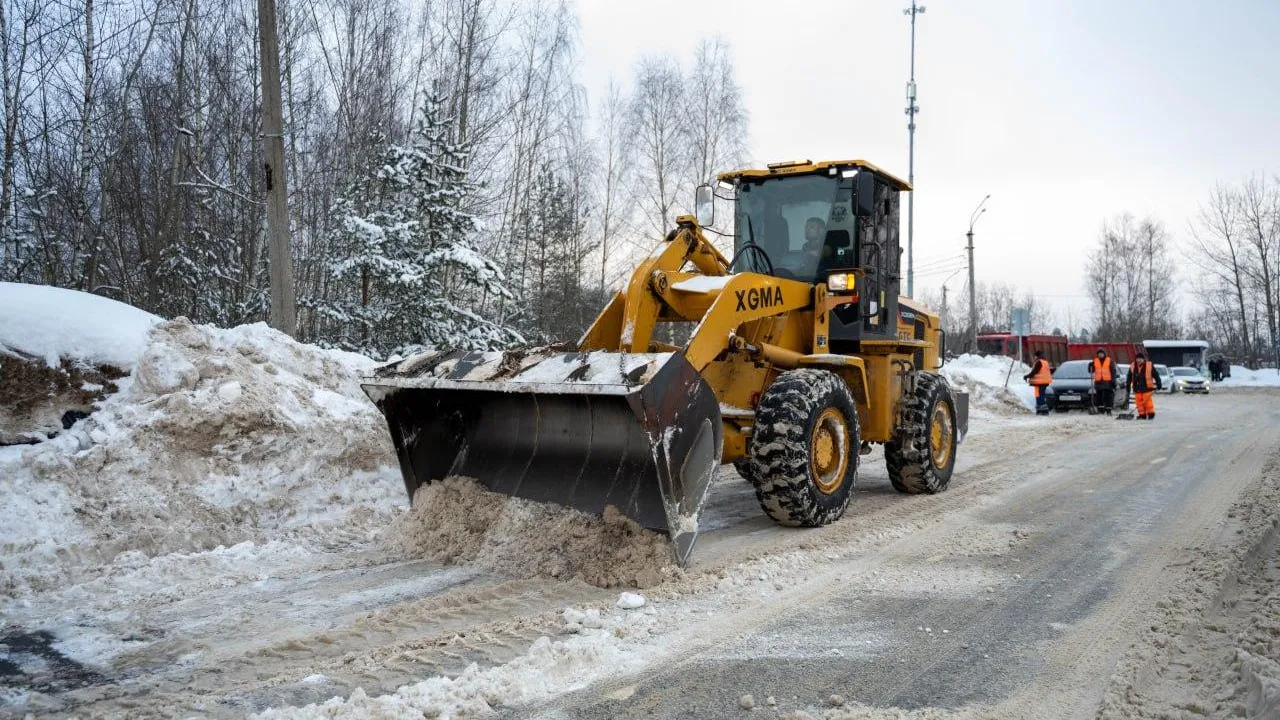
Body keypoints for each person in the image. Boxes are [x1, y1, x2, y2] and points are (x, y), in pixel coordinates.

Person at [1128, 351, 1164, 420]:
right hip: (1137, 388)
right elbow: (1129, 376)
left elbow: (1156, 375)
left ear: (1143, 359)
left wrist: (1159, 383)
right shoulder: (1132, 366)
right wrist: (1128, 385)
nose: (1138, 360)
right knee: (1139, 402)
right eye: (1137, 359)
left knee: (1147, 402)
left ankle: (1151, 414)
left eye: (1140, 359)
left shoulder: (1149, 365)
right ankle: (1142, 415)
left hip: (1147, 388)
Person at [1087, 348, 1117, 415]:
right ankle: (1101, 410)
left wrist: (1113, 381)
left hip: (1108, 382)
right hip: (1098, 382)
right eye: (1099, 354)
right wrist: (1090, 366)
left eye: (1101, 353)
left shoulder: (1109, 361)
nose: (1100, 355)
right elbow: (1090, 371)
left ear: (1104, 354)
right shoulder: (1095, 361)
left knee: (1108, 397)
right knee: (1099, 397)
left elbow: (1113, 372)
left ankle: (1108, 410)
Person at [1023, 350, 1053, 416]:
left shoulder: (1039, 362)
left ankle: (1043, 411)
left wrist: (1027, 376)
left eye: (1035, 356)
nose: (1034, 357)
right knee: (1039, 395)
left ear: (1036, 356)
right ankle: (1040, 410)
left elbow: (1034, 372)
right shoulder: (1045, 362)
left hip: (1040, 382)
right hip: (1043, 382)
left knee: (1040, 396)